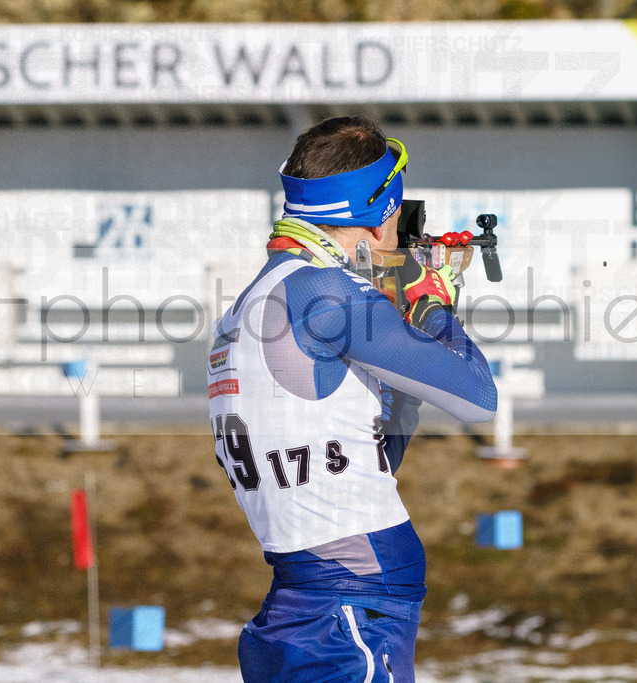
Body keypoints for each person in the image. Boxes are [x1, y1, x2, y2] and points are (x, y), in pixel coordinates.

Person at [207, 116, 497, 683]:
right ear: (383, 209)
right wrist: (430, 304)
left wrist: (401, 330)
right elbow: (478, 399)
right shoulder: (329, 291)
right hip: (350, 596)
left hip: (305, 588)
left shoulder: (247, 304)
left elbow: (368, 454)